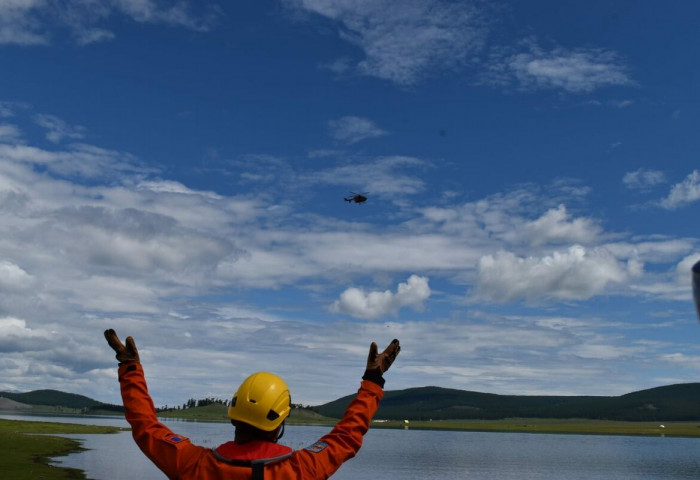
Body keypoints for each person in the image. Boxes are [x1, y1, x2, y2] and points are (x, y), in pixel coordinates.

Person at [104, 329, 400, 479]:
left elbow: (145, 427)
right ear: (280, 422)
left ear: (233, 415)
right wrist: (373, 381)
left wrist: (131, 370)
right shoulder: (301, 470)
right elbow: (347, 435)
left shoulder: (194, 465)